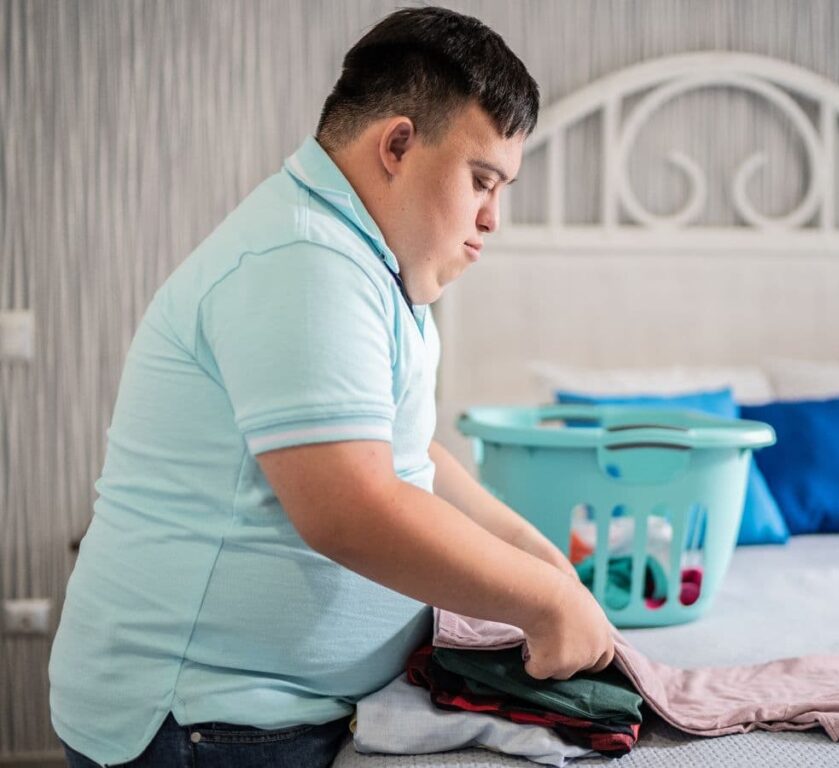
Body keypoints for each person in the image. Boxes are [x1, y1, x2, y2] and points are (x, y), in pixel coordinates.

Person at [49, 7, 615, 767]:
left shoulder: (365, 262)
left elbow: (405, 457)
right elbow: (350, 509)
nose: (493, 218)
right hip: (200, 722)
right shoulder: (304, 261)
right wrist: (544, 602)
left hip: (263, 712)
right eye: (482, 180)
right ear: (399, 145)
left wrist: (533, 553)